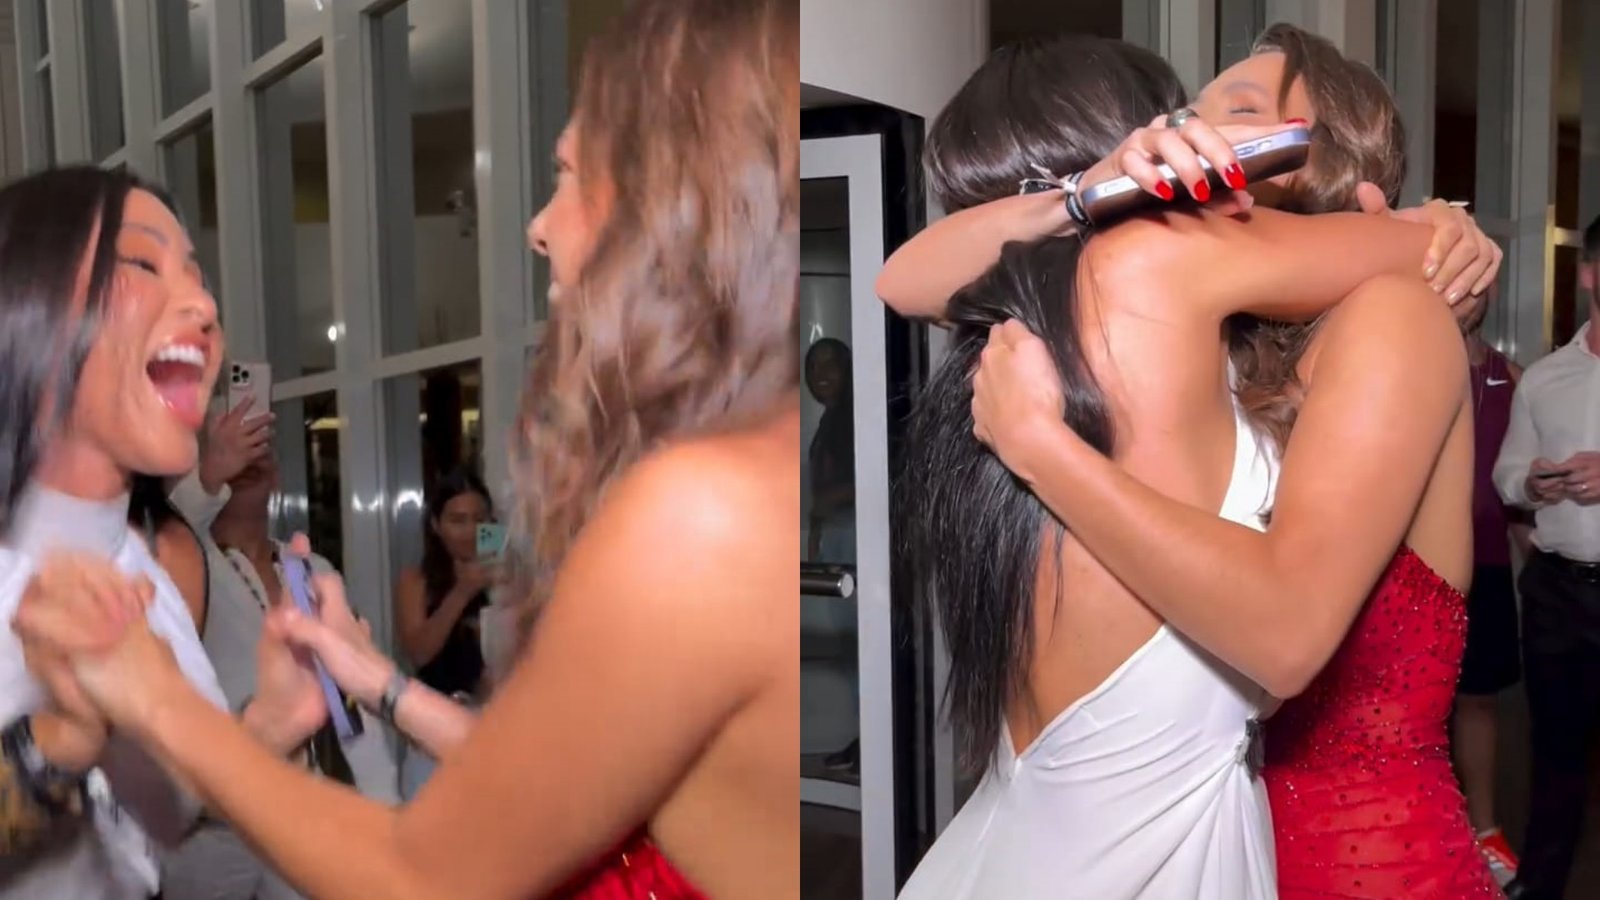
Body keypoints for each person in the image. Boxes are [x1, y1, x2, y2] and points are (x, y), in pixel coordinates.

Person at [18, 1, 799, 898]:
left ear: (670, 200)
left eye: (568, 174)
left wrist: (152, 700)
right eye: (143, 267)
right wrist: (368, 687)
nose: (539, 225)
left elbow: (426, 871)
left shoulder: (702, 509)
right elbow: (554, 782)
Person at [893, 27, 1499, 899]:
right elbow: (908, 281)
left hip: (1364, 861)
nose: (1192, 128)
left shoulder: (1392, 316)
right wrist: (1090, 190)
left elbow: (1286, 634)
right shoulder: (1225, 346)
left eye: (1241, 112)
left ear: (1326, 157)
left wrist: (1041, 449)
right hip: (1222, 834)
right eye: (1187, 110)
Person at [0, 167, 319, 898]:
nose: (206, 305)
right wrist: (58, 741)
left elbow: (159, 814)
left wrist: (265, 728)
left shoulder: (141, 570)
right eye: (142, 264)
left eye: (198, 278)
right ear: (27, 306)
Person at [165, 447, 399, 900]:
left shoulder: (310, 568)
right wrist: (209, 477)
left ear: (277, 477)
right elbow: (159, 532)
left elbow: (351, 694)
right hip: (216, 811)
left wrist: (382, 792)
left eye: (262, 454)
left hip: (302, 797)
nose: (248, 463)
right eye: (237, 450)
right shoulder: (190, 565)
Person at [1491, 214, 1600, 900]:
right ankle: (1542, 884)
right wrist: (1531, 482)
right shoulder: (1545, 378)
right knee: (1555, 754)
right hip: (1559, 594)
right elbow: (1506, 472)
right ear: (1589, 274)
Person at [1453, 281, 1528, 886]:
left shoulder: (1515, 380)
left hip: (1490, 567)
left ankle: (1485, 831)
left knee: (1479, 701)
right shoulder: (1411, 367)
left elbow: (1521, 491)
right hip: (1416, 569)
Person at [393, 468, 496, 797]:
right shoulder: (416, 580)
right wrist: (462, 592)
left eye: (479, 519)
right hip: (432, 735)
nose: (470, 530)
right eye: (458, 520)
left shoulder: (506, 574)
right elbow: (419, 651)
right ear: (436, 526)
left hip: (492, 730)